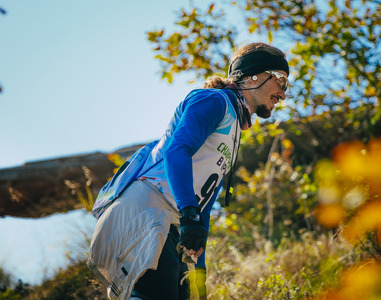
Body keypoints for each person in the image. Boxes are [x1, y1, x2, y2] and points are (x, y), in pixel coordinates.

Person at [87, 42, 290, 300]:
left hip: (173, 219)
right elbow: (176, 151)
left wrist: (199, 271)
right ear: (254, 75)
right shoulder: (215, 101)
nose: (283, 94)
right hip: (149, 208)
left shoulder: (234, 127)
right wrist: (189, 213)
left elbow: (203, 205)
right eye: (281, 81)